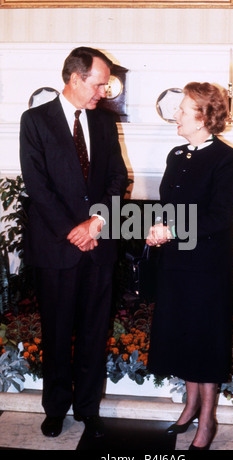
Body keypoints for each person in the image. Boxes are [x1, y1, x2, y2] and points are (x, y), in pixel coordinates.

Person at [20, 47, 127, 438]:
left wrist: (96, 222)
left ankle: (87, 408)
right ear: (76, 78)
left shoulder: (104, 122)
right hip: (56, 248)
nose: (104, 92)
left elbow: (118, 177)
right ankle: (55, 408)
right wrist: (74, 230)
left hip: (98, 245)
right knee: (57, 330)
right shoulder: (35, 121)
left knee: (94, 331)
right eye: (99, 84)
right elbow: (37, 185)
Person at [147, 82, 233, 450]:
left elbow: (219, 217)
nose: (177, 115)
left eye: (184, 110)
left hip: (207, 269)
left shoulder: (227, 159)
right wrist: (155, 230)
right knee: (183, 339)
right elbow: (167, 206)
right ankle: (188, 409)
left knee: (205, 344)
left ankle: (208, 422)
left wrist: (170, 229)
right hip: (176, 265)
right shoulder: (176, 154)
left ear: (203, 117)